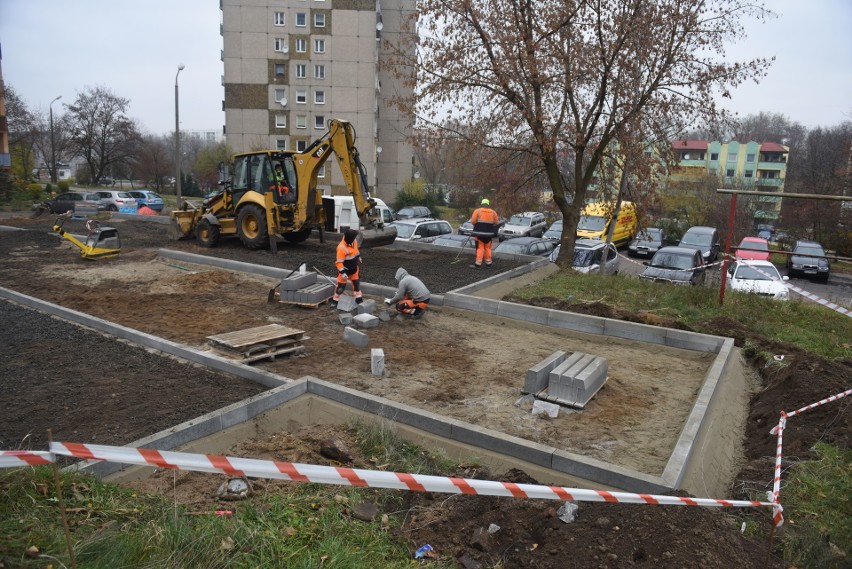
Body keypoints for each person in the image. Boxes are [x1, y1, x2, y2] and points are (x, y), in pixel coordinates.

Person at [333, 229, 363, 306]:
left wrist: (358, 257)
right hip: (345, 271)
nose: (355, 239)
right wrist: (343, 273)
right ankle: (335, 301)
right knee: (340, 288)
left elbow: (356, 250)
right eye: (354, 237)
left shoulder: (354, 241)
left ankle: (359, 299)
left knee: (356, 285)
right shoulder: (341, 248)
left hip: (354, 269)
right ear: (350, 238)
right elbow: (339, 263)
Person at [468, 198, 500, 268]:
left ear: (482, 204)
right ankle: (489, 263)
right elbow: (497, 222)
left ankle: (478, 264)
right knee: (487, 248)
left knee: (480, 248)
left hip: (479, 234)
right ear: (488, 205)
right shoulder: (493, 212)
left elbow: (473, 221)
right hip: (489, 234)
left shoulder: (477, 211)